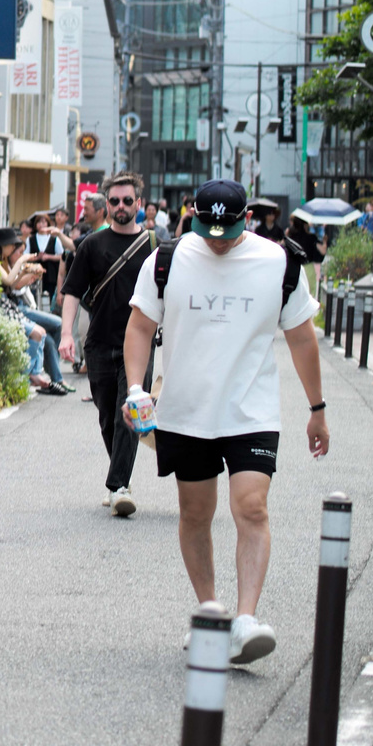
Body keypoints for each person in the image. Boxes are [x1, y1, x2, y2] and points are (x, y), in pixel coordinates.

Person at [125, 179, 325, 665]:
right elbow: (140, 326)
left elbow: (302, 338)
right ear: (193, 215)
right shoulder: (166, 260)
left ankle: (246, 619)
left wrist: (317, 409)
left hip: (251, 409)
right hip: (186, 410)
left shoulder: (279, 263)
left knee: (251, 506)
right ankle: (210, 611)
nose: (216, 241)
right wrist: (135, 389)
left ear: (247, 220)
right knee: (195, 513)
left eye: (227, 232)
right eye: (207, 230)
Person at [60, 172, 159, 515]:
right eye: (114, 201)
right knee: (107, 416)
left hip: (140, 346)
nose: (121, 206)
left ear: (139, 203)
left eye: (127, 201)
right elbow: (72, 292)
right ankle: (120, 479)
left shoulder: (154, 246)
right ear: (107, 204)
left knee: (128, 414)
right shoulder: (91, 245)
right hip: (99, 343)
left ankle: (118, 487)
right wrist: (66, 334)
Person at [0, 229, 70, 395]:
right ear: (4, 245)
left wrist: (25, 272)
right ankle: (26, 377)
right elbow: (9, 281)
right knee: (39, 333)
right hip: (2, 308)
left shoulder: (2, 261)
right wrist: (23, 262)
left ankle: (35, 374)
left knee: (42, 333)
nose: (14, 250)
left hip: (9, 306)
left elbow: (12, 284)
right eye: (13, 246)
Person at [24, 212, 66, 303]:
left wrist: (48, 257)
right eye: (39, 222)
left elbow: (62, 256)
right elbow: (25, 256)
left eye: (44, 222)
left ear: (48, 224)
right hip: (34, 272)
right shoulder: (30, 239)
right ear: (35, 225)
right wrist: (36, 257)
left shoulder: (54, 239)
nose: (41, 225)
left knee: (49, 296)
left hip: (50, 273)